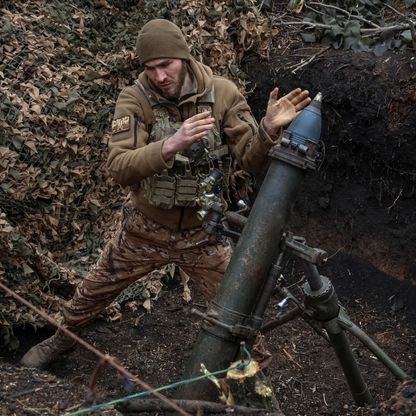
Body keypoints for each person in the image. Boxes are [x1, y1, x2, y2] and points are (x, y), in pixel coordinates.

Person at [21, 19, 311, 369]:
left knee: (237, 312)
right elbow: (119, 166)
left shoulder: (222, 94)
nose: (159, 76)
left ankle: (253, 381)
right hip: (146, 227)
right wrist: (171, 144)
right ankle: (62, 341)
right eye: (150, 68)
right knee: (91, 293)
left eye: (166, 65)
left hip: (203, 233)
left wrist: (266, 131)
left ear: (184, 58)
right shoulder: (134, 99)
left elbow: (248, 162)